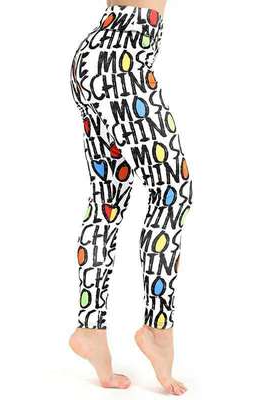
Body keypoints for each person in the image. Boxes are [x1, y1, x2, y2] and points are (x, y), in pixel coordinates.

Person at [68, 0, 193, 395]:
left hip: (97, 56)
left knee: (106, 200)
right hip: (123, 63)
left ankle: (90, 328)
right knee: (172, 190)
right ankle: (158, 327)